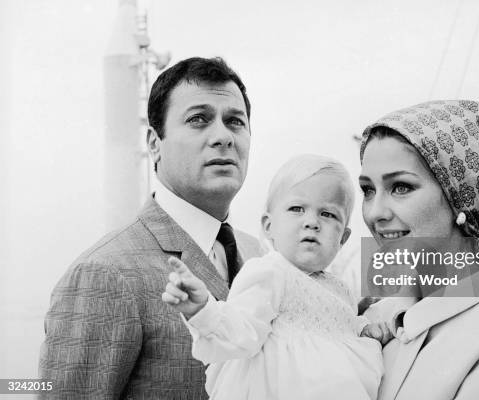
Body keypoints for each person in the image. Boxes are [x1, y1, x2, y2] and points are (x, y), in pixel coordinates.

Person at [39, 57, 263, 399]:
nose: (223, 136)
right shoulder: (105, 274)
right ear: (155, 143)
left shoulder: (260, 255)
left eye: (235, 121)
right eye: (198, 119)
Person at [358, 100, 479, 400]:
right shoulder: (375, 316)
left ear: (461, 198)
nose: (375, 212)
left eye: (401, 187)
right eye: (368, 190)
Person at [162, 155, 389, 400]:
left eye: (327, 214)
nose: (312, 222)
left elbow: (342, 328)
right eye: (297, 209)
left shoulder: (339, 288)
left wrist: (364, 331)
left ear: (342, 239)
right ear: (269, 226)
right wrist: (202, 309)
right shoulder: (269, 272)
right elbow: (241, 327)